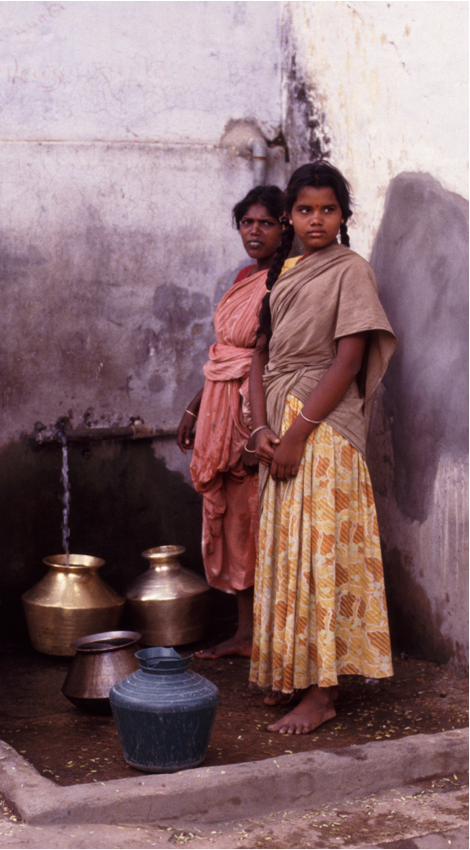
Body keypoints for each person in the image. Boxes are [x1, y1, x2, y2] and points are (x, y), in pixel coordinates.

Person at [247, 161, 396, 733]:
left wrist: (297, 433)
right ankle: (296, 669)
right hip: (280, 426)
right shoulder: (285, 272)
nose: (317, 219)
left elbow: (350, 359)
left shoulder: (350, 270)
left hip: (324, 429)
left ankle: (324, 691)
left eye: (328, 209)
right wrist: (261, 430)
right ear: (290, 216)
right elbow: (261, 355)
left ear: (343, 216)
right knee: (292, 554)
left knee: (321, 555)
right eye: (306, 210)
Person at [177, 186, 286, 659]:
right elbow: (226, 356)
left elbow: (272, 360)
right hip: (221, 404)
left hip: (256, 411)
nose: (255, 231)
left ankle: (274, 638)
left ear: (284, 227)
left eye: (265, 222)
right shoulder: (246, 276)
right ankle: (244, 633)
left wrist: (257, 425)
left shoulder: (287, 279)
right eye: (247, 222)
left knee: (262, 520)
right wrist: (196, 407)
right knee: (235, 519)